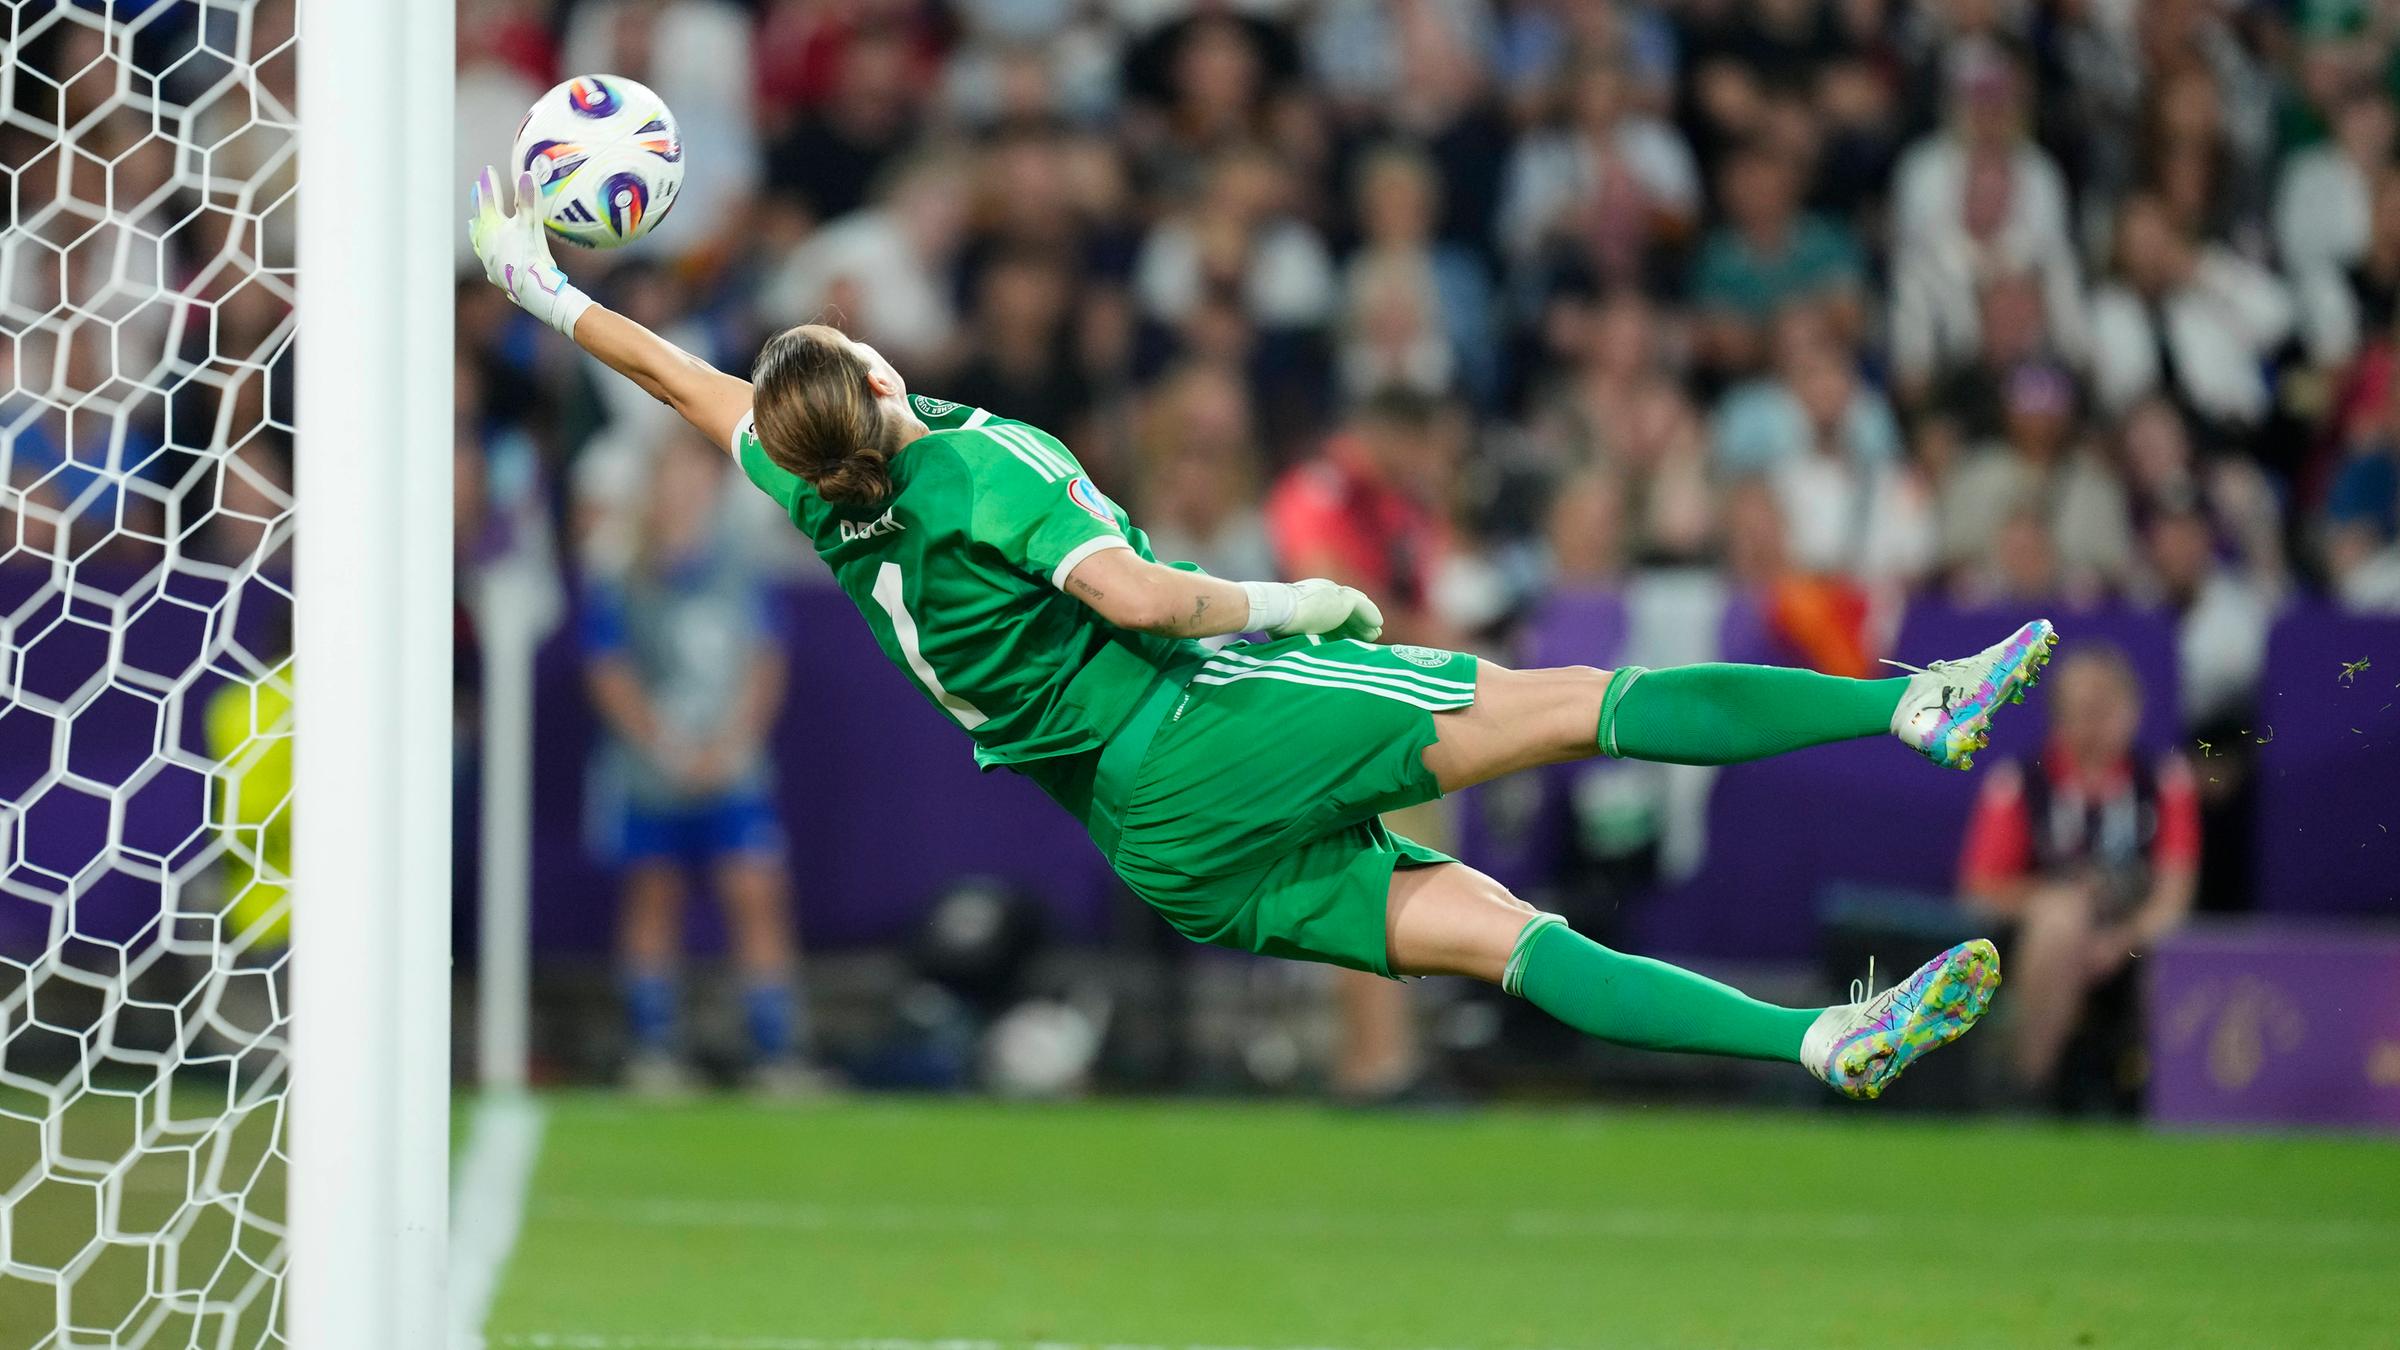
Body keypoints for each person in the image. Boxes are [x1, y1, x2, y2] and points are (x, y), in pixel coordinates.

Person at [472, 166, 2058, 1101]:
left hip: (1150, 844)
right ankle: (1902, 714)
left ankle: (1818, 1038)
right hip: (1201, 717)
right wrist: (1298, 600)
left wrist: (549, 297)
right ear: (877, 377)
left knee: (1507, 936)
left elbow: (696, 390)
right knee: (1574, 699)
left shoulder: (817, 489)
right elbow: (1140, 598)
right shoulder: (973, 456)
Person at [581, 440, 822, 1096]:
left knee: (755, 893)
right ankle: (652, 1050)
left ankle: (776, 1052)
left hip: (732, 766)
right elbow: (608, 667)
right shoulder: (621, 569)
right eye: (672, 475)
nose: (684, 490)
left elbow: (765, 661)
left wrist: (733, 744)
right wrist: (661, 744)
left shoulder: (740, 566)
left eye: (695, 476)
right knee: (654, 894)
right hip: (648, 769)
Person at [1956, 646, 2199, 1110]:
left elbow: (2173, 896)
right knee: (2060, 920)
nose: (2096, 724)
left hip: (2130, 942)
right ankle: (2027, 1090)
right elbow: (1979, 890)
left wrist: (2121, 941)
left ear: (2134, 711)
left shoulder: (2164, 782)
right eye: (2083, 711)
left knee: (2167, 953)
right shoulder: (2021, 784)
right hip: (2035, 943)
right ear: (2058, 717)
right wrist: (2055, 901)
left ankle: (2155, 1104)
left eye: (2108, 709)